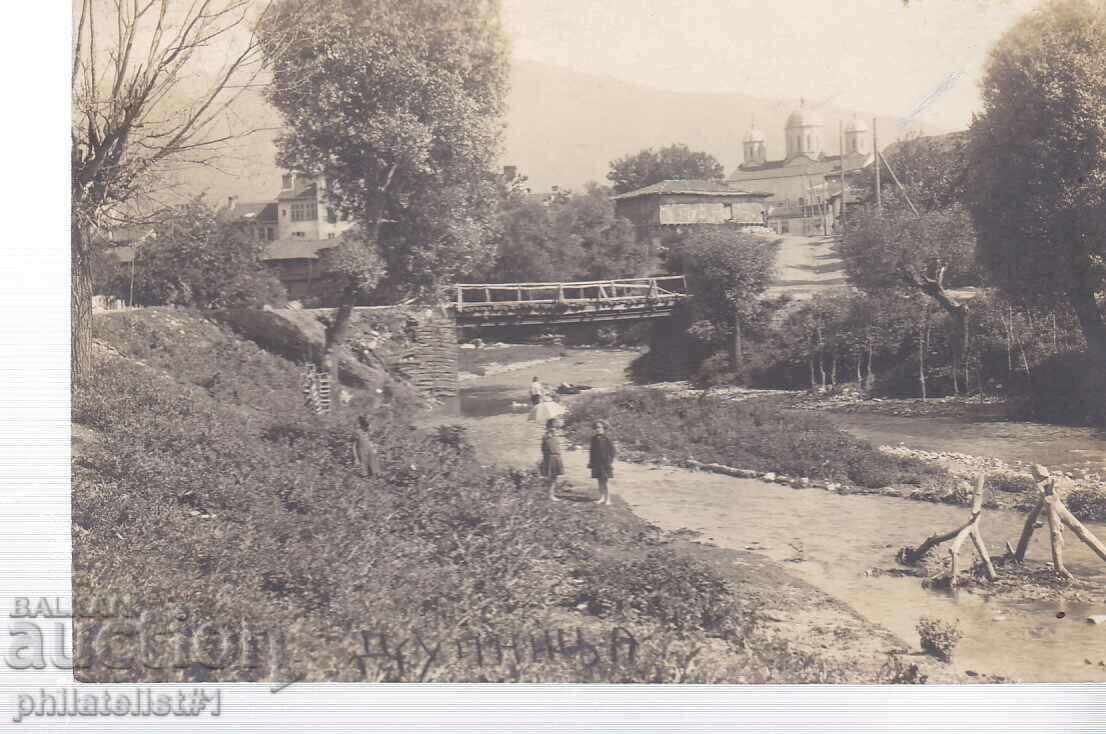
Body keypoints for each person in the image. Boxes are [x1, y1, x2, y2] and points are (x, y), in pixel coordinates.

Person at [587, 420, 616, 506]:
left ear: (604, 428)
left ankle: (608, 499)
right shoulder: (593, 439)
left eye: (599, 427)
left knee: (605, 481)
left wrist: (609, 460)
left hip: (605, 463)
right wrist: (591, 461)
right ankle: (602, 497)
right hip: (596, 462)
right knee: (599, 480)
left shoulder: (607, 438)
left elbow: (612, 451)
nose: (597, 429)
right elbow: (591, 451)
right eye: (596, 427)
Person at [540, 417, 564, 501]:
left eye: (554, 427)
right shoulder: (546, 436)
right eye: (551, 427)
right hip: (550, 457)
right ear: (548, 427)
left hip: (556, 456)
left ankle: (551, 494)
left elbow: (557, 447)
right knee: (550, 477)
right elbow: (543, 449)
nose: (553, 429)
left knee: (555, 476)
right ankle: (550, 494)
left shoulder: (555, 435)